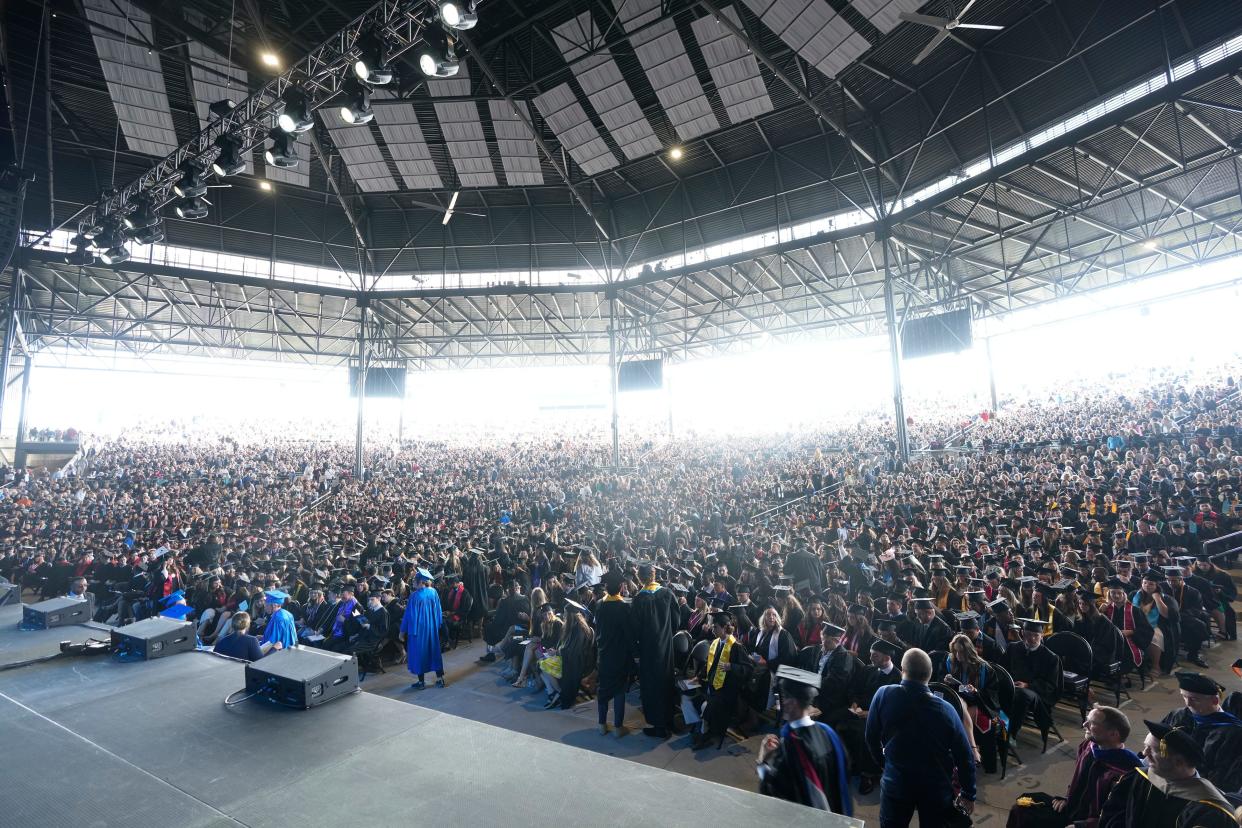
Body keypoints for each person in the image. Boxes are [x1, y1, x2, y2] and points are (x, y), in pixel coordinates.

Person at [865, 647, 977, 828]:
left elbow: (871, 738)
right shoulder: (946, 710)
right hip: (935, 787)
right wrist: (968, 794)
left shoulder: (883, 694)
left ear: (902, 670)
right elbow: (964, 756)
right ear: (930, 674)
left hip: (896, 781)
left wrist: (884, 764)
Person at [1006, 704, 1142, 828]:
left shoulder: (1126, 773)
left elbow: (1119, 818)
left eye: (1092, 723)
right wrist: (1067, 798)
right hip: (1072, 809)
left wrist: (1082, 825)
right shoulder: (1088, 746)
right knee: (1022, 808)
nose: (1084, 724)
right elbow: (1078, 781)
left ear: (1113, 734)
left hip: (1091, 822)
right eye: (1087, 719)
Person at [1098, 720, 1237, 828]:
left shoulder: (1210, 811)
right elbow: (1113, 815)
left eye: (1152, 750)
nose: (1144, 753)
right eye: (1145, 746)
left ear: (1178, 762)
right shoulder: (1138, 777)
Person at [757, 671, 853, 816]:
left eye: (781, 698)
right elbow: (845, 772)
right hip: (835, 813)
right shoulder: (828, 733)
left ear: (792, 703)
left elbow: (773, 791)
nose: (779, 704)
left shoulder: (792, 747)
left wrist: (763, 759)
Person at [1160, 671, 1242, 793]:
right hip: (1166, 778)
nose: (1188, 703)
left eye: (1194, 699)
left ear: (1214, 701)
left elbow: (1224, 776)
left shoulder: (1232, 732)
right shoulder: (1179, 715)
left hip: (1200, 791)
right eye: (1184, 696)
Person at [631, 561, 680, 738]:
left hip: (648, 650)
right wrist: (666, 634)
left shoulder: (639, 599)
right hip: (666, 648)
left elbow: (634, 629)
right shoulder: (667, 593)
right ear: (654, 575)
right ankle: (669, 721)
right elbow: (676, 622)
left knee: (652, 686)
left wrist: (637, 650)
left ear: (640, 578)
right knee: (666, 683)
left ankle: (659, 727)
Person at [692, 610, 753, 749]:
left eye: (715, 627)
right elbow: (709, 663)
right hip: (712, 685)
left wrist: (732, 666)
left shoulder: (736, 646)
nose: (712, 629)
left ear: (725, 627)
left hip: (726, 690)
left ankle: (705, 734)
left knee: (708, 705)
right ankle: (704, 728)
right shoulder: (715, 642)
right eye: (713, 627)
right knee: (689, 696)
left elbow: (748, 669)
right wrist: (698, 676)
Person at [1005, 617, 1062, 743]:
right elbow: (1002, 669)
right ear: (1022, 633)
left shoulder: (1051, 658)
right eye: (1028, 634)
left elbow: (1050, 685)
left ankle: (1011, 733)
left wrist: (1027, 685)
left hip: (1036, 693)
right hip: (1012, 685)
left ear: (1042, 636)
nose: (1032, 639)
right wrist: (1008, 681)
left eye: (1036, 635)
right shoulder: (1013, 648)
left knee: (1021, 695)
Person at [594, 572, 633, 737]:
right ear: (620, 587)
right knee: (619, 690)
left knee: (603, 689)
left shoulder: (599, 605)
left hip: (604, 654)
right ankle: (618, 727)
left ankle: (602, 725)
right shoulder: (624, 607)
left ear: (605, 588)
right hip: (620, 655)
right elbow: (628, 633)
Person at [400, 568, 445, 689]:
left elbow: (409, 615)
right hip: (431, 629)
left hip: (418, 631)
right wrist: (437, 625)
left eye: (415, 580)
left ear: (420, 582)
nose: (413, 582)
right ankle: (440, 679)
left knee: (419, 654)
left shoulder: (415, 596)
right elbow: (438, 611)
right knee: (434, 652)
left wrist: (402, 631)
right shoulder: (433, 592)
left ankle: (421, 683)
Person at [259, 589, 297, 655]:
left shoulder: (277, 618)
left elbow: (273, 641)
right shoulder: (288, 614)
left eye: (266, 605)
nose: (264, 607)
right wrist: (263, 637)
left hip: (278, 653)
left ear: (274, 605)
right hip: (289, 649)